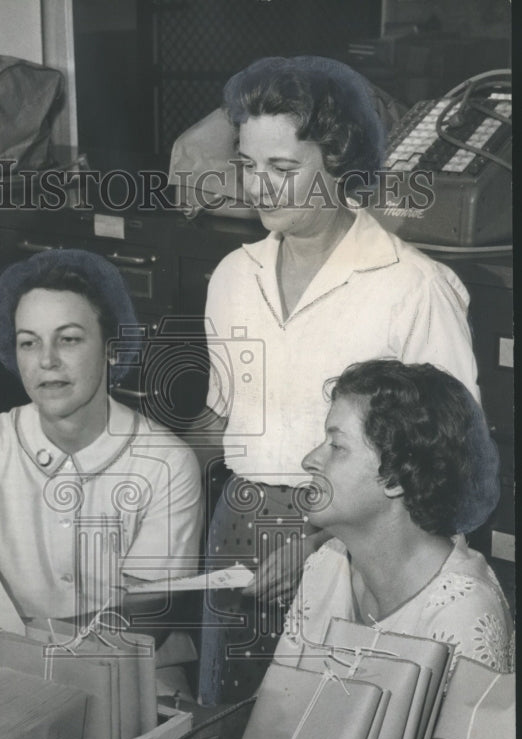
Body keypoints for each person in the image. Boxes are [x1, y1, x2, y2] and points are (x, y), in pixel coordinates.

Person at [196, 55, 480, 703]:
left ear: (339, 165)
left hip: (360, 547)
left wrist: (324, 544)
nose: (259, 189)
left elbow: (446, 467)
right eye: (248, 166)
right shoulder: (234, 277)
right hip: (236, 531)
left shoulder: (412, 288)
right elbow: (224, 420)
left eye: (284, 169)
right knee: (234, 738)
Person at [0, 249, 203, 621]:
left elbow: (146, 618)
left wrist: (24, 638)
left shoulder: (167, 463)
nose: (47, 360)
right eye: (29, 342)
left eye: (69, 340)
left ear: (112, 350)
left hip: (134, 665)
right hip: (7, 660)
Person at [273, 359, 513, 674]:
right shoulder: (326, 565)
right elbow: (279, 712)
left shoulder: (461, 614)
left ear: (396, 478)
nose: (309, 461)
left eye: (337, 446)